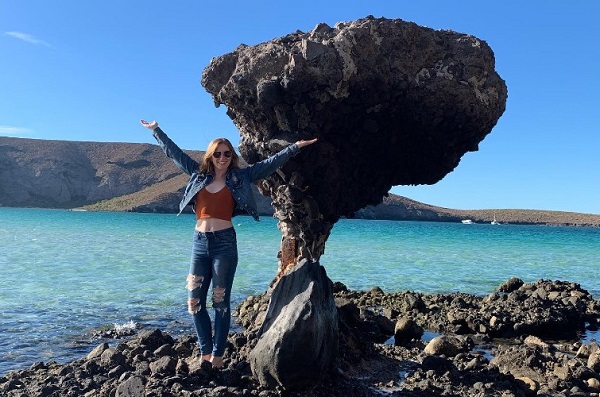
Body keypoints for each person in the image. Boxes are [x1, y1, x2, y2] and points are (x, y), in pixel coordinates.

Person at [140, 119, 317, 369]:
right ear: (210, 156)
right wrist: (156, 131)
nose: (222, 157)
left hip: (224, 244)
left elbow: (270, 164)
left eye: (227, 153)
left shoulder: (241, 176)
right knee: (194, 302)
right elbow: (174, 153)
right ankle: (204, 354)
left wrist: (295, 147)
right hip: (199, 243)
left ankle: (218, 356)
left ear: (231, 156)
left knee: (220, 301)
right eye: (218, 153)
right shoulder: (198, 173)